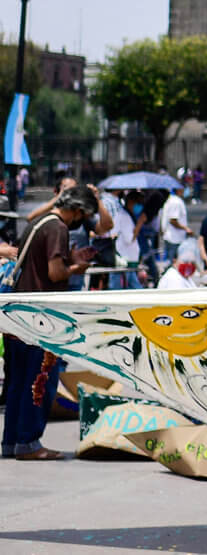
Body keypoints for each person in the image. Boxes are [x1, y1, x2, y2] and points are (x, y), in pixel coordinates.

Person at [2, 185, 98, 460]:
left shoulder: (38, 222)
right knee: (40, 380)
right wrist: (75, 269)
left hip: (20, 315)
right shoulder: (58, 227)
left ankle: (12, 443)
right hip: (40, 318)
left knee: (19, 382)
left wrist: (72, 258)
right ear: (78, 210)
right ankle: (30, 444)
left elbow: (39, 263)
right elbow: (55, 273)